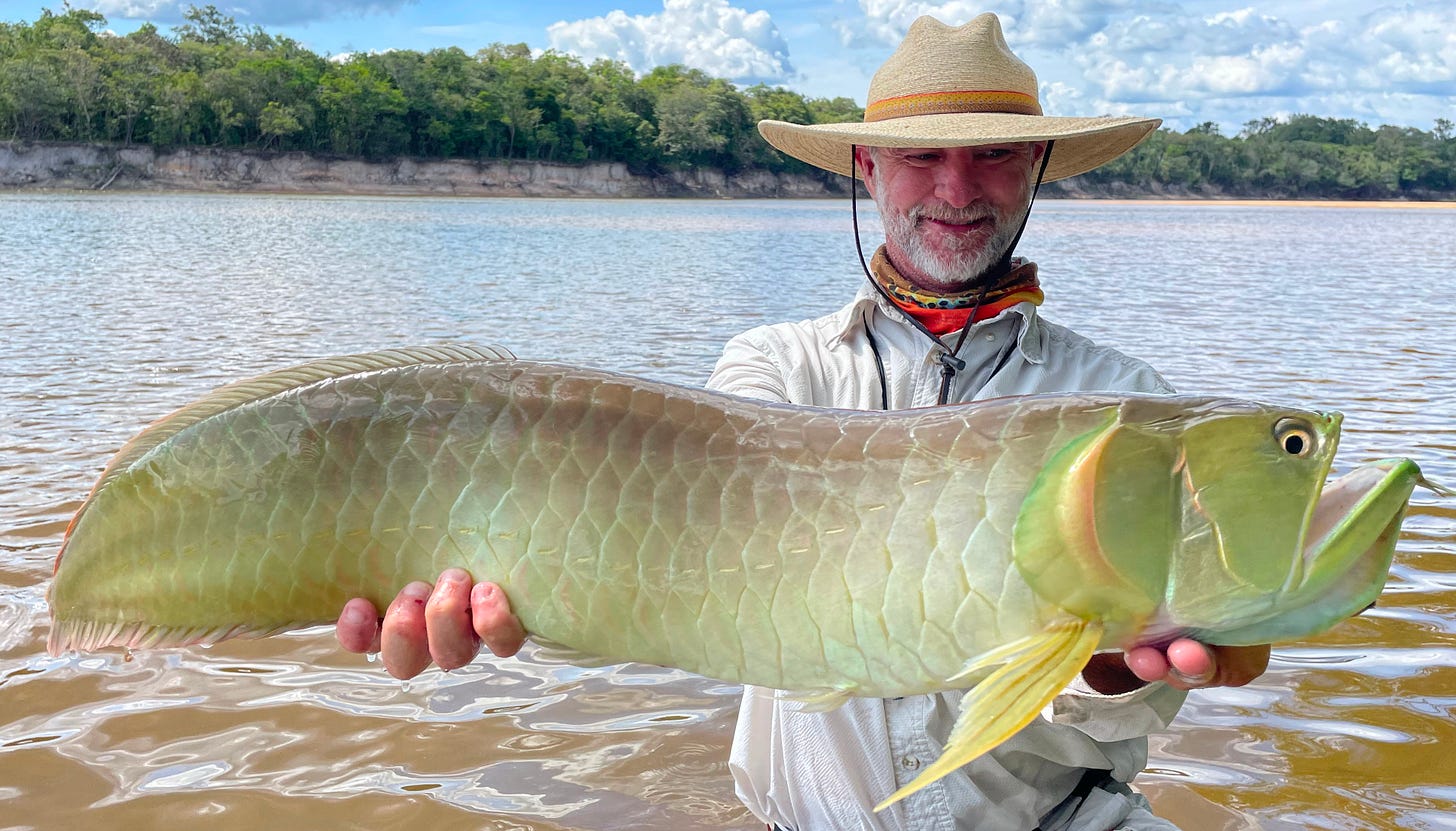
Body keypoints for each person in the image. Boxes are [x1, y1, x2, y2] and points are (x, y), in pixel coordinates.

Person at [335, 13, 1271, 830]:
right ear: (867, 169)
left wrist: (1117, 664)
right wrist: (507, 584)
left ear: (1036, 168)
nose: (957, 187)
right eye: (920, 155)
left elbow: (1124, 704)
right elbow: (684, 567)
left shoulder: (1127, 403)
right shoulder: (771, 369)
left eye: (992, 152)